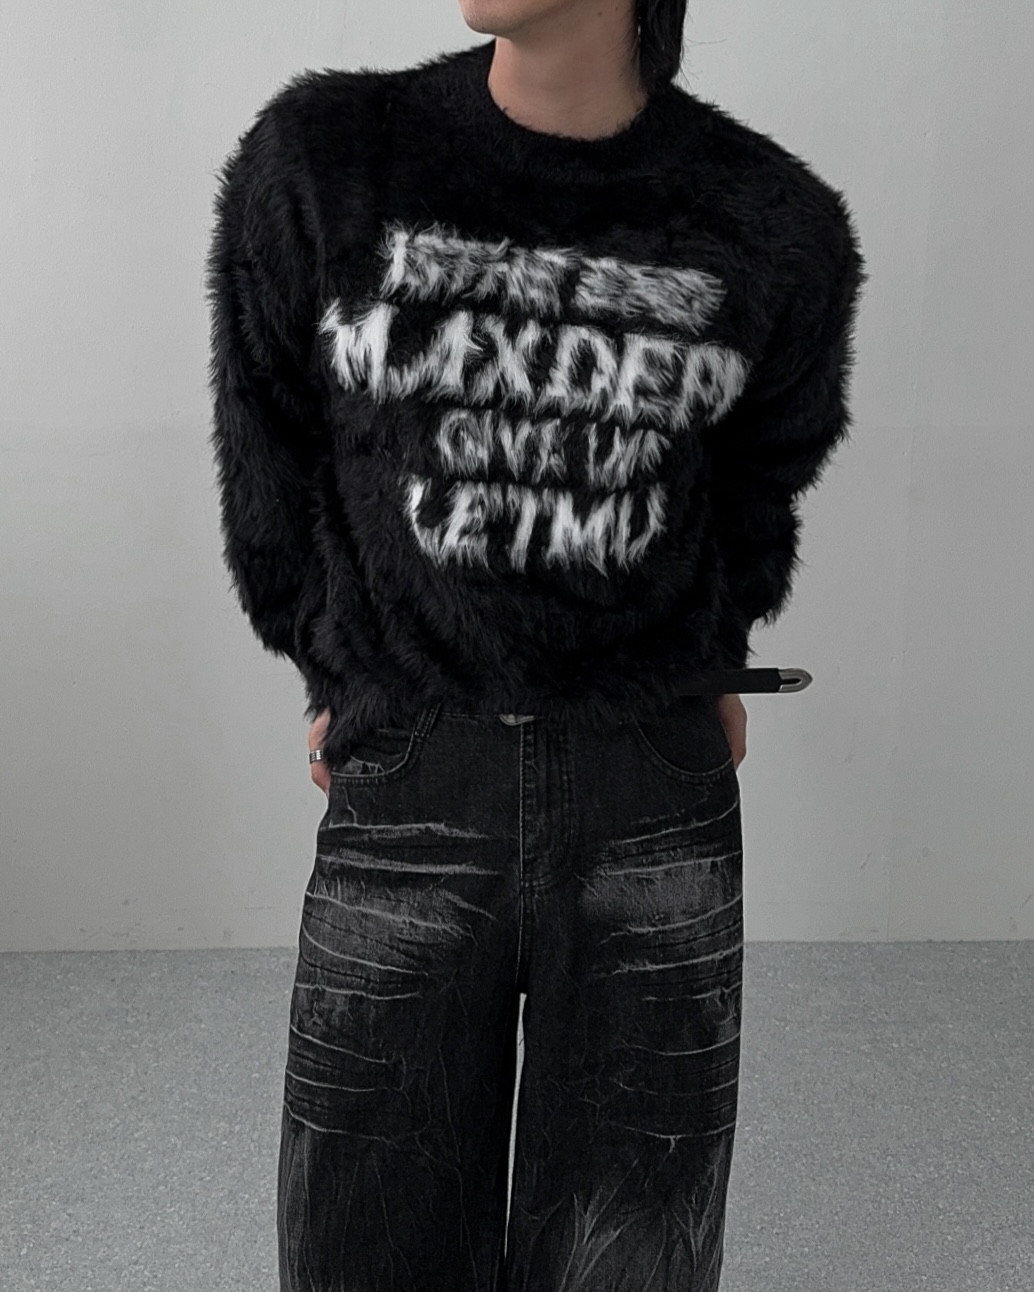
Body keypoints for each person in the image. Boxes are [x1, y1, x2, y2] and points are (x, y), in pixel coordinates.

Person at [204, 2, 866, 1287]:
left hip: (647, 784)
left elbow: (761, 474)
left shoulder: (770, 222)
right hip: (412, 763)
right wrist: (335, 667)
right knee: (363, 1237)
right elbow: (268, 434)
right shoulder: (330, 160)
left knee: (631, 1244)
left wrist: (709, 647)